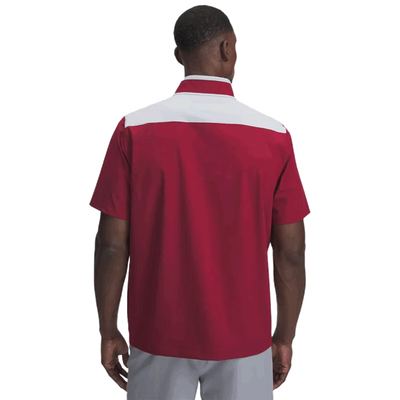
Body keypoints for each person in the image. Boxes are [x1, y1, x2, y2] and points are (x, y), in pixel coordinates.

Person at [88, 4, 312, 400]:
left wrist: (108, 330)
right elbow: (291, 252)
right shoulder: (273, 134)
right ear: (227, 48)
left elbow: (110, 244)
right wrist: (283, 336)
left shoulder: (133, 128)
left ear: (179, 54)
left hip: (158, 334)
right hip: (244, 338)